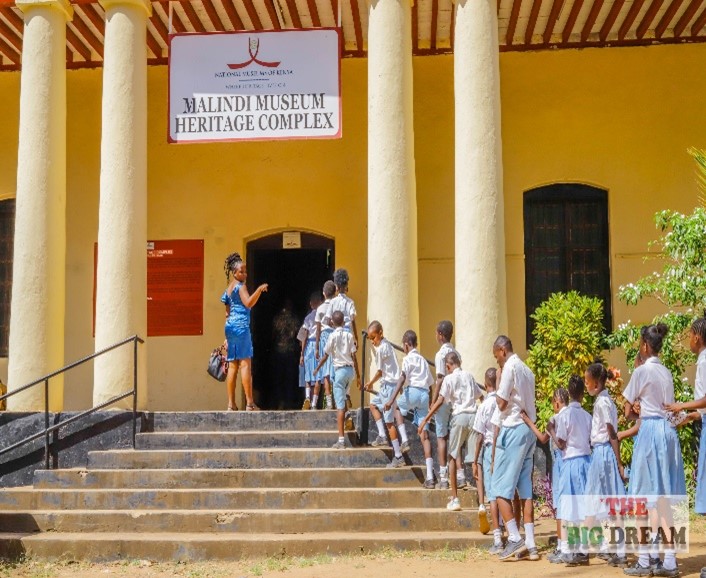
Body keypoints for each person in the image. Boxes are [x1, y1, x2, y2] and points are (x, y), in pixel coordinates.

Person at [621, 324, 686, 578]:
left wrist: (635, 409)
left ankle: (645, 558)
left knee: (643, 498)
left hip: (649, 433)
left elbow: (627, 412)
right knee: (664, 497)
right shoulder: (667, 373)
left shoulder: (641, 371)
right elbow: (668, 409)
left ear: (645, 346)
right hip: (668, 434)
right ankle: (668, 560)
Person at [664, 314, 706, 578]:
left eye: (690, 334)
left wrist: (683, 406)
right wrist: (691, 416)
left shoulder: (703, 361)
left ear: (698, 337)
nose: (688, 339)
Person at [491, 335, 538, 561]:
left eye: (496, 356)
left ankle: (513, 537)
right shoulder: (527, 369)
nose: (497, 361)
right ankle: (531, 543)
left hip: (513, 429)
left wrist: (499, 380)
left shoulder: (509, 367)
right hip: (528, 429)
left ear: (502, 350)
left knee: (499, 488)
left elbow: (501, 404)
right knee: (525, 489)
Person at [418, 351, 483, 512]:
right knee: (477, 460)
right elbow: (480, 396)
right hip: (474, 416)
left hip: (459, 417)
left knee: (452, 456)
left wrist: (426, 418)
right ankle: (482, 503)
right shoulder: (469, 375)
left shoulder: (448, 379)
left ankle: (455, 499)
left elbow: (441, 400)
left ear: (447, 366)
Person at [584, 362, 628, 568]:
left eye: (587, 381)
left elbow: (611, 433)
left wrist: (618, 462)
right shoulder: (604, 400)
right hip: (602, 453)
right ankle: (612, 547)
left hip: (603, 453)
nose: (585, 385)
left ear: (596, 382)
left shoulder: (602, 403)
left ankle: (583, 548)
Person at [521, 387, 569, 563]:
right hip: (572, 461)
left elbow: (543, 438)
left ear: (556, 402)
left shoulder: (555, 418)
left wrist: (527, 421)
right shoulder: (573, 414)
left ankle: (560, 545)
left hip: (559, 462)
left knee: (559, 505)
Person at [384, 330, 436, 486]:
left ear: (406, 344)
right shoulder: (423, 360)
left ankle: (404, 439)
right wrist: (430, 404)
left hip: (412, 390)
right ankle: (430, 477)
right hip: (425, 395)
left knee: (397, 409)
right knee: (424, 435)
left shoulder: (408, 358)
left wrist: (392, 398)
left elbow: (402, 378)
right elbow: (431, 384)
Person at [551, 375, 592, 566]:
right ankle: (582, 550)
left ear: (569, 393)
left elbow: (560, 443)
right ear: (583, 394)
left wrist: (551, 429)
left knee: (568, 506)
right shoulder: (587, 416)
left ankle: (567, 549)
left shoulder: (565, 415)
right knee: (583, 506)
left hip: (570, 462)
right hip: (586, 461)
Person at [221, 252, 267, 411]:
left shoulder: (229, 288)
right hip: (241, 327)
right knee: (245, 364)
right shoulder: (241, 286)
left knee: (232, 365)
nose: (245, 274)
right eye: (241, 271)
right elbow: (248, 303)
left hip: (230, 328)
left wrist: (227, 336)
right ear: (234, 272)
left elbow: (227, 312)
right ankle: (249, 403)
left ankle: (231, 404)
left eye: (245, 271)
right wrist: (259, 290)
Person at [313, 311, 360, 449]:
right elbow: (354, 356)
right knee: (344, 396)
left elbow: (326, 355)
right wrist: (358, 376)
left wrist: (317, 368)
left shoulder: (332, 336)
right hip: (349, 371)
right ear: (344, 322)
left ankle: (340, 440)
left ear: (332, 323)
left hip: (339, 372)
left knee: (339, 406)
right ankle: (348, 414)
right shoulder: (349, 335)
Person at [364, 321, 404, 467]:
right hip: (388, 386)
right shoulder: (387, 344)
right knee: (373, 404)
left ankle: (398, 455)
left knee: (389, 422)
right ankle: (382, 435)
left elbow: (380, 371)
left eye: (373, 338)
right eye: (370, 339)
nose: (372, 342)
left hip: (388, 387)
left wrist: (369, 383)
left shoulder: (382, 349)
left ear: (380, 333)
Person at [432, 320, 462, 490]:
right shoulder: (456, 353)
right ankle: (460, 474)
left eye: (437, 333)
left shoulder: (441, 354)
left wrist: (434, 400)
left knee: (441, 436)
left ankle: (443, 477)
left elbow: (440, 378)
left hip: (444, 399)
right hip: (455, 400)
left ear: (441, 335)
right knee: (455, 438)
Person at [473, 368, 500, 543]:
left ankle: (497, 535)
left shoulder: (483, 406)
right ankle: (507, 524)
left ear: (485, 384)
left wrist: (475, 460)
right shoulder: (503, 402)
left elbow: (480, 436)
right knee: (504, 489)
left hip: (490, 448)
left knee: (491, 492)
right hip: (504, 448)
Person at [272, 298, 300, 409]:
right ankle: (289, 403)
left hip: (278, 350)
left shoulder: (277, 318)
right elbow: (298, 334)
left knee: (278, 379)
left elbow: (273, 334)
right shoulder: (294, 318)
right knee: (290, 378)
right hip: (290, 352)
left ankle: (280, 402)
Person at [314, 280, 336, 409]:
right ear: (335, 292)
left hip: (324, 338)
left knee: (326, 371)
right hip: (335, 337)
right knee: (336, 368)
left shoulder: (320, 308)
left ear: (324, 293)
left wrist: (316, 347)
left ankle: (328, 402)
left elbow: (318, 329)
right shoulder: (336, 306)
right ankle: (340, 400)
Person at [299, 292, 323, 410]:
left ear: (310, 304)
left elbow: (304, 336)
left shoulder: (307, 318)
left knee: (308, 375)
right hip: (319, 346)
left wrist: (302, 354)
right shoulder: (323, 317)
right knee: (318, 376)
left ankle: (307, 397)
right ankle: (314, 403)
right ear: (320, 303)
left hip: (309, 346)